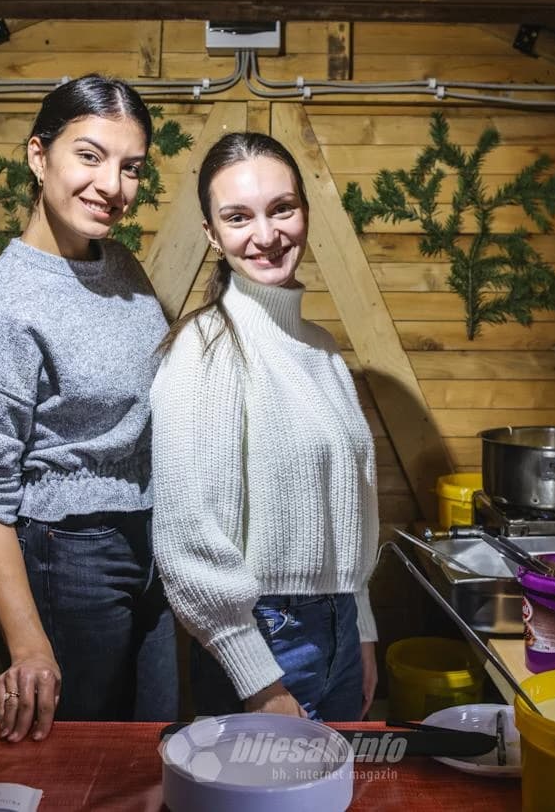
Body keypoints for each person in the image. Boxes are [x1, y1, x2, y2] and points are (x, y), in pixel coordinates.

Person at [0, 75, 175, 743]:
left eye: (130, 168)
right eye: (90, 156)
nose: (113, 186)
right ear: (39, 156)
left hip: (150, 540)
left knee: (157, 745)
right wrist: (28, 644)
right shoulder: (2, 307)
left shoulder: (119, 264)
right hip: (66, 555)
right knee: (80, 759)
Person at [151, 132, 379, 721]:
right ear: (211, 233)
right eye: (238, 217)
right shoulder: (204, 351)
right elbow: (187, 536)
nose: (267, 235)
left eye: (282, 208)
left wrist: (363, 629)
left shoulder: (322, 348)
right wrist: (259, 681)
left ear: (304, 210)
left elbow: (350, 512)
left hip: (342, 630)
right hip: (262, 639)